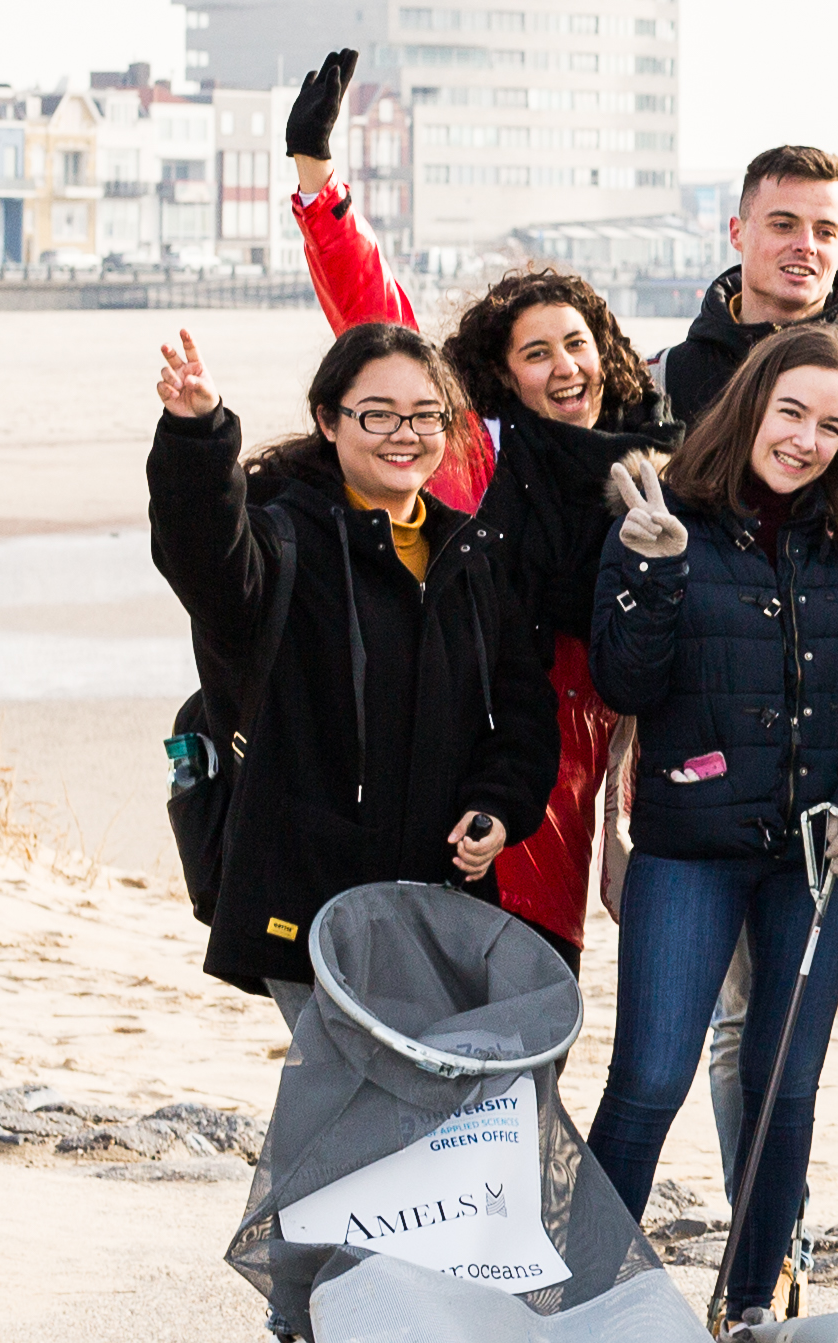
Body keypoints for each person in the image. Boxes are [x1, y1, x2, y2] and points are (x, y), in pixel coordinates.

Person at [144, 320, 557, 1343]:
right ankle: (300, 1329)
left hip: (429, 895)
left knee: (392, 1106)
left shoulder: (471, 554)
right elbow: (201, 555)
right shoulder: (282, 544)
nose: (405, 435)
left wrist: (495, 809)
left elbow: (519, 714)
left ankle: (366, 1311)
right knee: (352, 1099)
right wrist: (197, 440)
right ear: (331, 423)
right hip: (306, 892)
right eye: (378, 414)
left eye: (425, 415)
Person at [274, 49, 665, 959]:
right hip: (465, 751)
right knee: (438, 996)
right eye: (537, 354)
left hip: (575, 773)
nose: (564, 367)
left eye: (576, 344)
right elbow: (379, 318)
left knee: (537, 1002)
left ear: (606, 352)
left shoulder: (656, 467)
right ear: (503, 375)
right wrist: (317, 182)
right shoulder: (478, 458)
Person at [584, 324, 838, 1343]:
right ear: (749, 409)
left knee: (785, 1081)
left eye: (832, 424)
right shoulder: (661, 513)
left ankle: (751, 1306)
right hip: (690, 842)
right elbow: (624, 685)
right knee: (650, 1073)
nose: (809, 440)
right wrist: (653, 577)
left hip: (820, 853)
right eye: (792, 414)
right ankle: (577, 1293)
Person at [660, 144, 838, 433]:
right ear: (737, 233)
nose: (806, 245)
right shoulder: (667, 379)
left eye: (824, 232)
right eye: (783, 225)